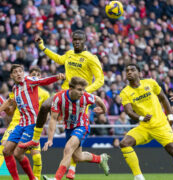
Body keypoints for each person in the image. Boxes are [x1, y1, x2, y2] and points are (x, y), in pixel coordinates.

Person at [19, 30, 104, 179]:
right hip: (65, 93)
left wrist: (84, 91)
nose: (76, 42)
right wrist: (42, 47)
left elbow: (100, 80)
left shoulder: (91, 58)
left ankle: (75, 167)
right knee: (45, 106)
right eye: (74, 39)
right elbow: (58, 59)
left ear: (85, 42)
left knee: (76, 140)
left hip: (80, 98)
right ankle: (35, 139)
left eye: (79, 40)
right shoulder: (69, 53)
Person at [0, 64, 64, 180]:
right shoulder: (15, 89)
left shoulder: (29, 80)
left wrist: (57, 77)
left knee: (19, 153)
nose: (18, 73)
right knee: (6, 151)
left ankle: (32, 178)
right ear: (11, 75)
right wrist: (3, 109)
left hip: (32, 124)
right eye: (15, 72)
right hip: (21, 124)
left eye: (20, 71)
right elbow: (11, 109)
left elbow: (44, 80)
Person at [119, 63, 173, 180]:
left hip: (160, 125)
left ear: (139, 73)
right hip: (144, 127)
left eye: (132, 70)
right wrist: (141, 118)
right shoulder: (125, 92)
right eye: (127, 71)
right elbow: (129, 111)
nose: (129, 72)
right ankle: (138, 177)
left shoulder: (150, 83)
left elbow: (163, 97)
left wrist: (170, 116)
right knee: (124, 143)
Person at [42, 77, 110, 180]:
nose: (82, 92)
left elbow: (97, 99)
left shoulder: (85, 97)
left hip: (82, 125)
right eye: (79, 89)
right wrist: (50, 139)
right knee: (78, 157)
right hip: (69, 128)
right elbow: (53, 119)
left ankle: (56, 178)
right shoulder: (59, 98)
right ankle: (100, 159)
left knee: (68, 148)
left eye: (83, 89)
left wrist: (103, 110)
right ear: (71, 88)